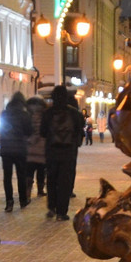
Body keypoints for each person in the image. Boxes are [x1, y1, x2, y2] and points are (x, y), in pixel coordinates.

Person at [41, 84, 85, 221]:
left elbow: (42, 132)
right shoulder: (74, 113)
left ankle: (52, 207)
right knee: (64, 182)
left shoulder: (48, 113)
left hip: (51, 151)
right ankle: (61, 212)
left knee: (52, 179)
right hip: (68, 152)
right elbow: (80, 128)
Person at [0, 91, 33, 212]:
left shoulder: (4, 114)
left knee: (7, 176)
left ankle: (9, 202)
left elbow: (1, 129)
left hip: (6, 149)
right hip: (20, 149)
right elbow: (29, 131)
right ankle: (23, 200)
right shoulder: (25, 115)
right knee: (21, 175)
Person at [25, 95, 48, 199]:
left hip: (29, 148)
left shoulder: (27, 116)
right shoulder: (44, 116)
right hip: (42, 149)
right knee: (41, 170)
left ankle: (27, 190)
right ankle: (40, 190)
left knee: (29, 171)